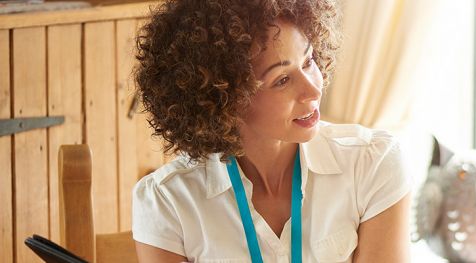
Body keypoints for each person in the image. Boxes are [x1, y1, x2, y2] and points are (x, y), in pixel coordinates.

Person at [131, 0, 411, 262]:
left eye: (308, 61)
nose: (313, 89)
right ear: (225, 98)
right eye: (283, 80)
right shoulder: (166, 202)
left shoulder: (372, 164)